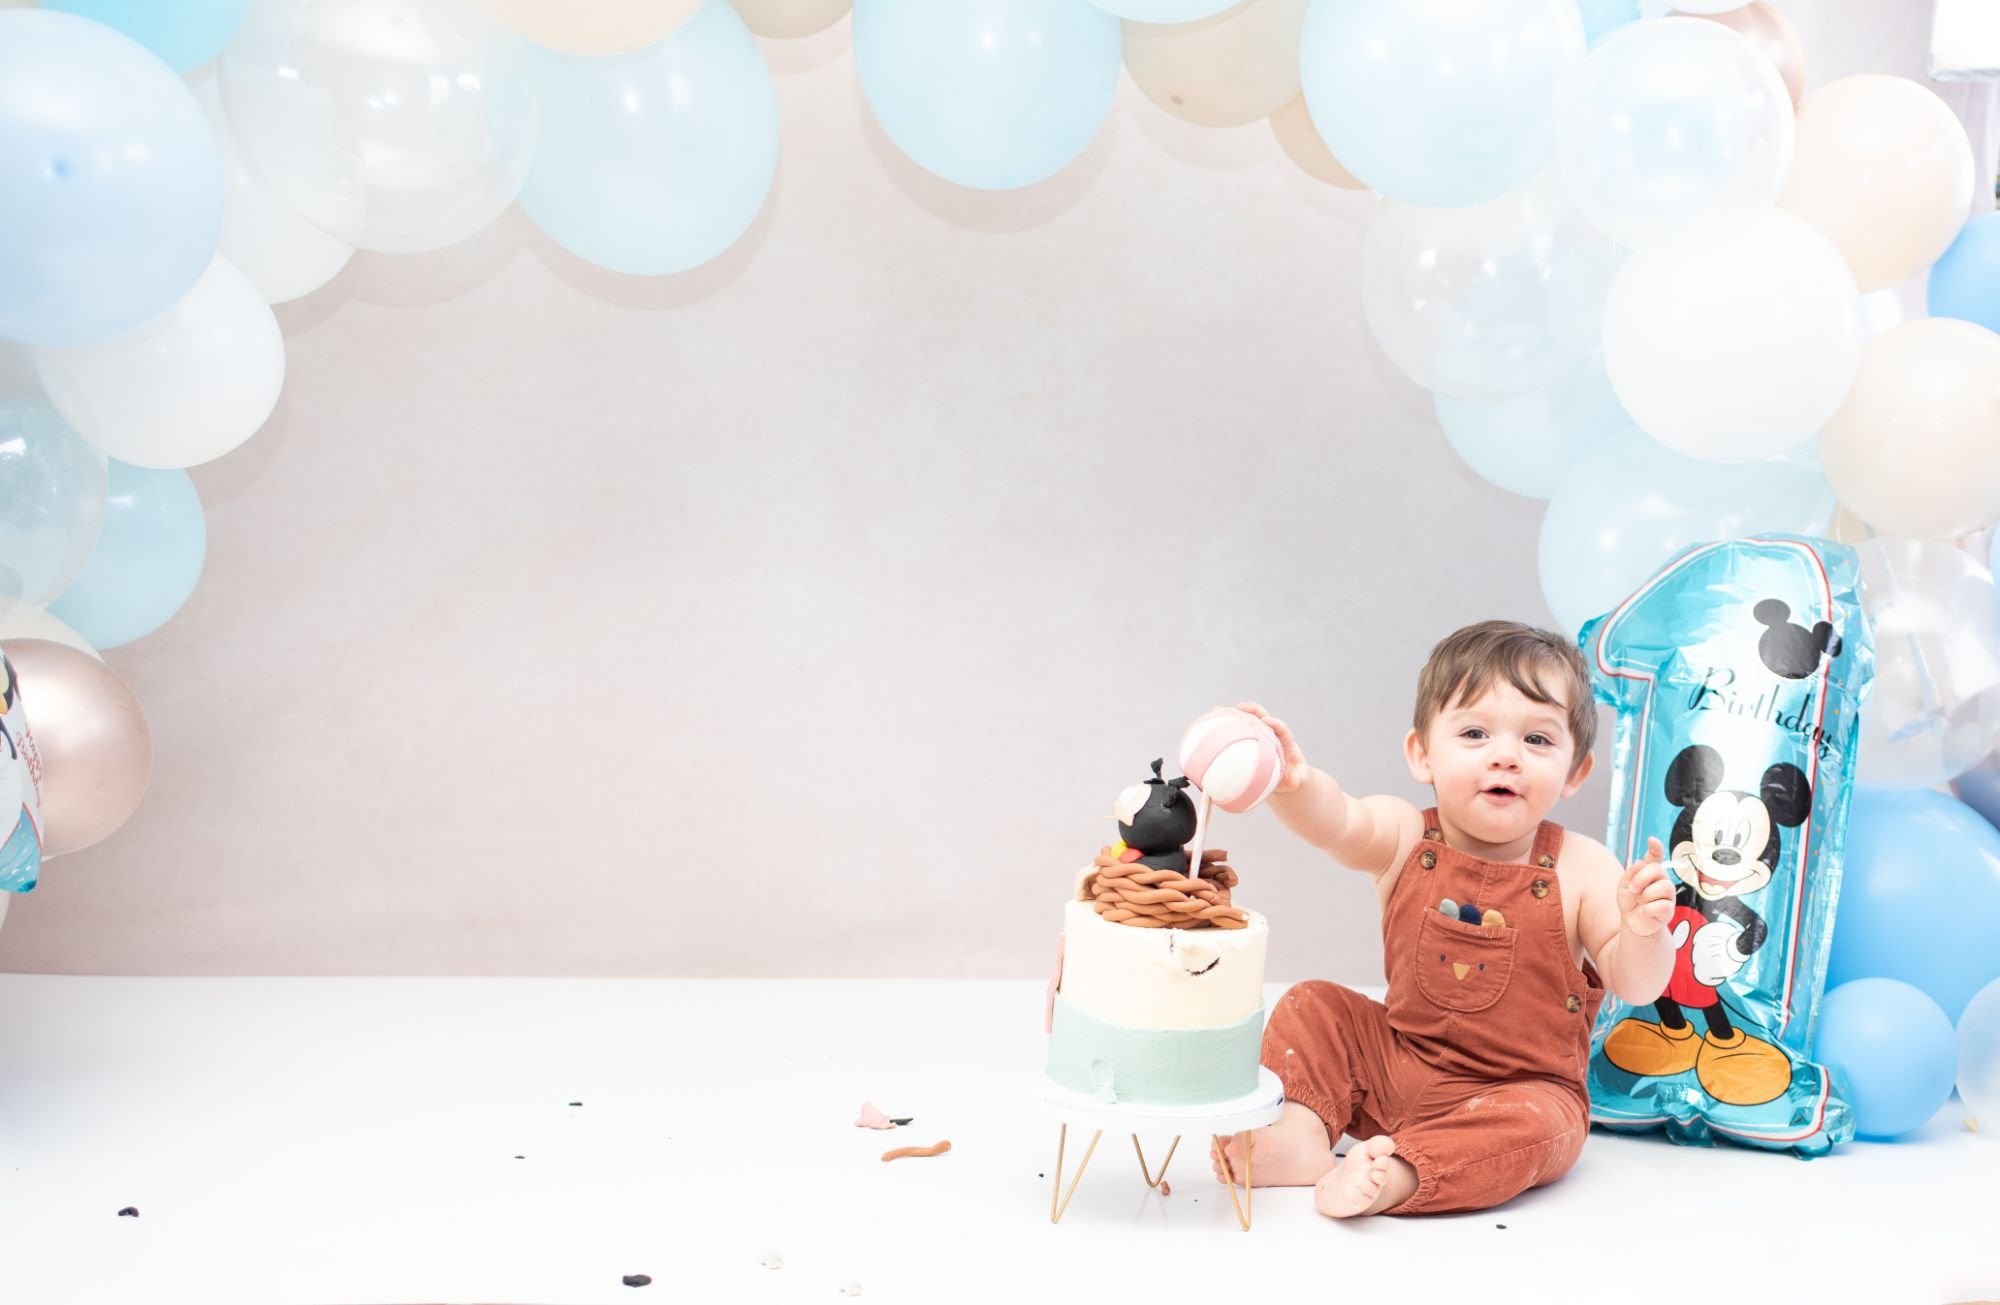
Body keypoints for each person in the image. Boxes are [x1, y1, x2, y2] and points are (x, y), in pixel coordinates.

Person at [1211, 620, 1676, 1217]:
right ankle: (1299, 1136)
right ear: (1422, 754)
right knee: (1314, 1004)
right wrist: (1291, 784)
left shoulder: (1583, 868)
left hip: (1515, 1094)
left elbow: (1638, 984)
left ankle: (1399, 1176)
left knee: (1547, 1126)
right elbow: (1338, 821)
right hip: (1395, 1065)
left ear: (1575, 771)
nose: (1505, 756)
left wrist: (1643, 931)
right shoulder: (1404, 836)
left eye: (1537, 739)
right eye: (1475, 733)